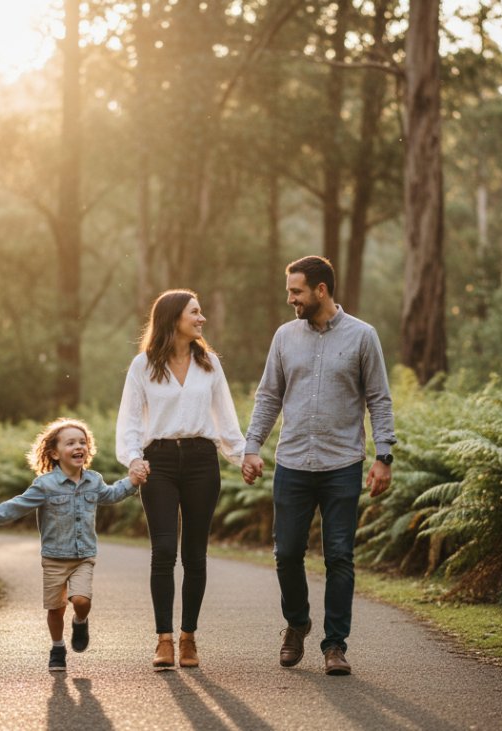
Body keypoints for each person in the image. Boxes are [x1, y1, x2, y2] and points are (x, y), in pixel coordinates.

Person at [242, 255, 396, 676]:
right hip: (292, 462)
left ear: (321, 290)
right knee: (287, 553)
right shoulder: (284, 337)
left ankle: (334, 646)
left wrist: (384, 456)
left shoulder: (363, 336)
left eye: (296, 291)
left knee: (340, 556)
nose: (290, 298)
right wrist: (252, 446)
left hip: (342, 463)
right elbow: (268, 396)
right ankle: (297, 623)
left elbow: (379, 399)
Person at [116, 289, 247, 669]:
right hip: (158, 463)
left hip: (202, 461)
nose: (201, 319)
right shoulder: (143, 366)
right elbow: (129, 421)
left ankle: (188, 637)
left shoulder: (209, 365)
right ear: (174, 318)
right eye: (195, 312)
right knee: (163, 551)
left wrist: (241, 458)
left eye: (201, 312)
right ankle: (164, 640)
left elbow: (225, 417)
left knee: (195, 554)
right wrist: (133, 459)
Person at [0, 417, 144, 672]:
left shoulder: (94, 481)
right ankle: (57, 647)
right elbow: (17, 505)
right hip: (54, 557)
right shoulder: (45, 485)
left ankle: (81, 621)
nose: (79, 447)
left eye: (83, 442)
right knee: (55, 608)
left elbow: (111, 494)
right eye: (71, 442)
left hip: (83, 555)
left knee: (81, 600)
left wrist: (132, 482)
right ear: (54, 452)